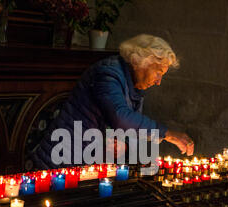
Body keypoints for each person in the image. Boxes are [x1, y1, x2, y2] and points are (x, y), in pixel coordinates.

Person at [31, 34, 194, 169]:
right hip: (61, 161)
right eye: (158, 72)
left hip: (85, 162)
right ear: (141, 62)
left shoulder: (134, 85)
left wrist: (123, 143)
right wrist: (166, 133)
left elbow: (129, 127)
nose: (158, 81)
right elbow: (120, 116)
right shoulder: (108, 73)